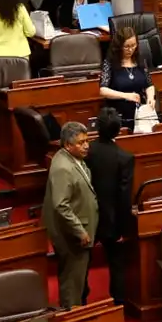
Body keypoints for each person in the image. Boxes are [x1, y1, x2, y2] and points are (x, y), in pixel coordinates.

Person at [43, 122, 98, 308]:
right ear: (67, 145)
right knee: (72, 282)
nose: (86, 145)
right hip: (71, 235)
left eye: (87, 140)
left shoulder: (73, 159)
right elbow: (61, 206)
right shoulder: (63, 168)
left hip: (79, 230)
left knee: (78, 280)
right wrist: (79, 231)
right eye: (81, 142)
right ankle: (70, 318)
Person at [83, 108, 133, 305]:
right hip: (112, 221)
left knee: (83, 263)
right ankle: (118, 305)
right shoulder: (125, 158)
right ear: (119, 130)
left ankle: (81, 304)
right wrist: (124, 227)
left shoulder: (86, 152)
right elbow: (124, 196)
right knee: (116, 264)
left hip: (87, 218)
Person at [99, 26, 155, 130]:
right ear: (119, 46)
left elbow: (149, 85)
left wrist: (151, 98)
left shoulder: (140, 60)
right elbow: (103, 90)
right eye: (126, 46)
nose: (130, 50)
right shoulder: (110, 63)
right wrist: (126, 96)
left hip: (140, 114)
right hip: (118, 115)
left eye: (133, 45)